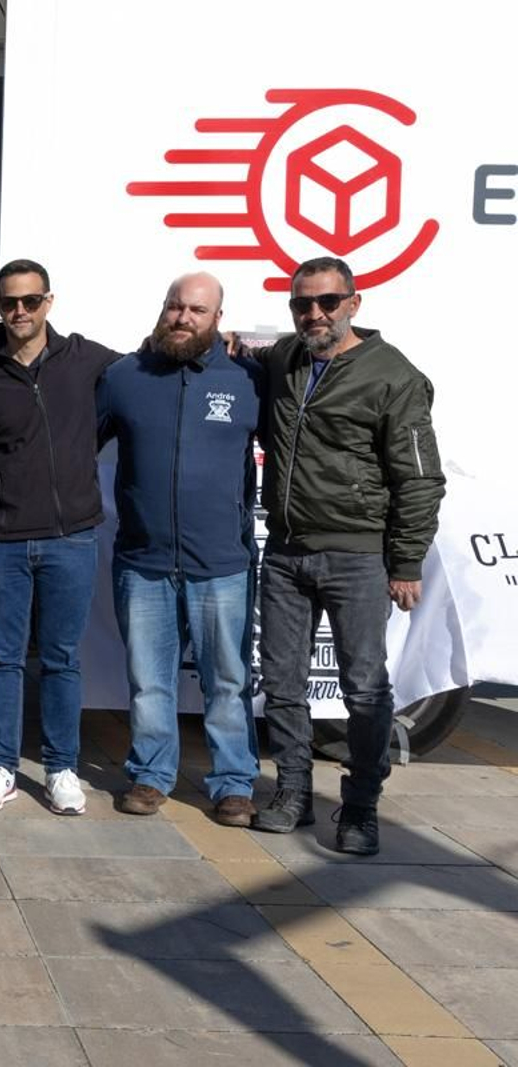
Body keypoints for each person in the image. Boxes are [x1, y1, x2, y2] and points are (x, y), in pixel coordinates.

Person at [252, 256, 445, 855]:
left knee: (364, 689)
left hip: (358, 558)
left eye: (327, 302)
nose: (314, 313)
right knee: (283, 683)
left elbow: (419, 478)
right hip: (286, 553)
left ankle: (360, 806)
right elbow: (251, 348)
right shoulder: (286, 358)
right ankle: (292, 792)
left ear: (354, 304)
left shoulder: (393, 376)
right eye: (302, 303)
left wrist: (407, 561)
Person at [0, 259, 122, 815]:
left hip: (71, 539)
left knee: (63, 659)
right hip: (0, 542)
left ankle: (62, 768)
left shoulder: (88, 362)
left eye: (30, 300)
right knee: (2, 657)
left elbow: (147, 380)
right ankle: (1, 765)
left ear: (49, 302)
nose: (18, 312)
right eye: (9, 303)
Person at [96, 273, 261, 826]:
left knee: (228, 682)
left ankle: (235, 782)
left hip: (221, 564)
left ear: (218, 317)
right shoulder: (124, 377)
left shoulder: (247, 379)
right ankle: (150, 774)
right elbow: (71, 448)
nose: (183, 317)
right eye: (175, 306)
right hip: (143, 563)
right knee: (149, 680)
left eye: (197, 309)